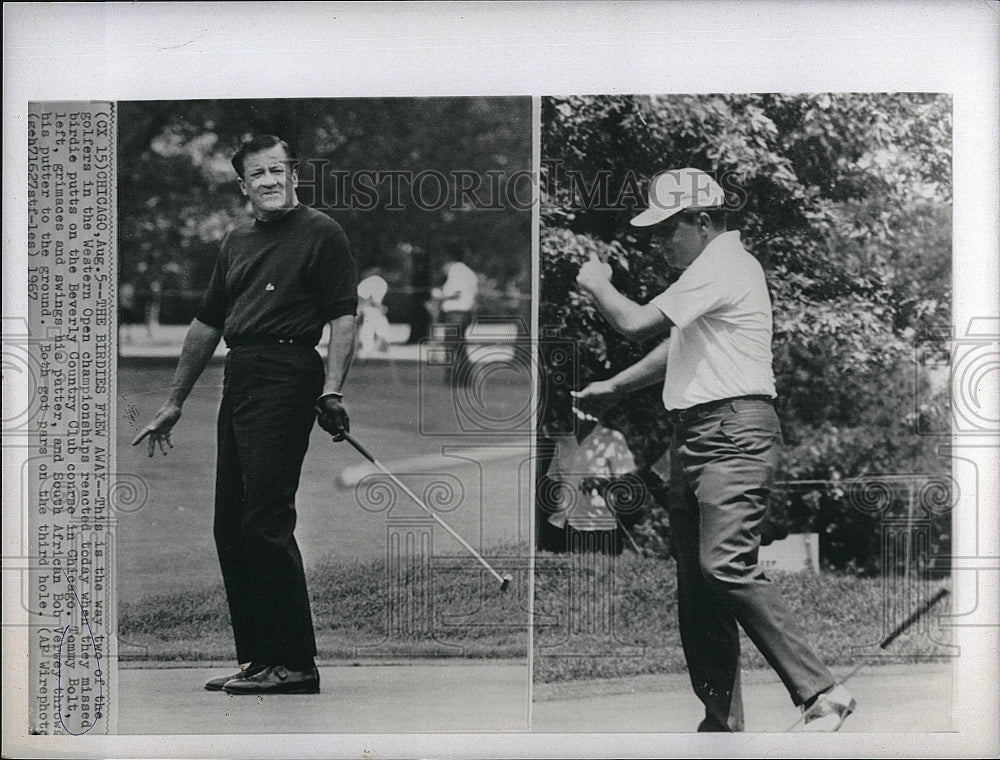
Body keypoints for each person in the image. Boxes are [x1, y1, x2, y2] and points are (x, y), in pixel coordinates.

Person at [572, 168, 855, 732]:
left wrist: (596, 283)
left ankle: (821, 692)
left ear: (701, 221)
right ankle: (720, 726)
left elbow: (632, 323)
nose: (659, 241)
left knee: (723, 564)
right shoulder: (710, 272)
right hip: (696, 434)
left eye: (667, 229)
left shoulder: (724, 263)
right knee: (697, 585)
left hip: (734, 430)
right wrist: (612, 388)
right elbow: (677, 348)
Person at [132, 135, 358, 696]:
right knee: (230, 524)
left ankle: (296, 664)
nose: (270, 181)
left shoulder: (322, 232)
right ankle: (259, 659)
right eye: (258, 174)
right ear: (243, 185)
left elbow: (344, 319)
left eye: (278, 170)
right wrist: (173, 401)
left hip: (289, 372)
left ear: (294, 175)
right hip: (243, 375)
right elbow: (208, 324)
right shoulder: (236, 242)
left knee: (264, 518)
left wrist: (332, 390)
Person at [431, 251, 478, 385]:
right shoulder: (469, 273)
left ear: (447, 263)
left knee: (452, 347)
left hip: (455, 313)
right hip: (464, 313)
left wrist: (439, 296)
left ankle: (454, 378)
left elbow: (455, 293)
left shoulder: (456, 271)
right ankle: (464, 378)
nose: (443, 271)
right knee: (459, 347)